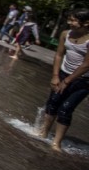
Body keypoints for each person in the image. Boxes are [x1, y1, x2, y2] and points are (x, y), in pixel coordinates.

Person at [38, 9, 89, 152]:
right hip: (62, 74)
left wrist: (67, 81)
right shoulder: (65, 34)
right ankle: (43, 132)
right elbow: (59, 55)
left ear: (86, 23)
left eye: (73, 20)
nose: (69, 23)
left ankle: (56, 143)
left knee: (66, 109)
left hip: (83, 81)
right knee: (53, 103)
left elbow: (86, 64)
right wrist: (55, 76)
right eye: (69, 19)